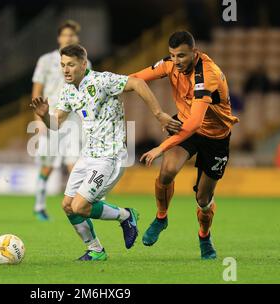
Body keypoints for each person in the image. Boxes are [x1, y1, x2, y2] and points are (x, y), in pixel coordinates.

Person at [30, 44, 181, 261]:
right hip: (88, 155)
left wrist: (159, 114)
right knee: (67, 206)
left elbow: (137, 82)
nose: (65, 70)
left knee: (80, 206)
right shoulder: (68, 90)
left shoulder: (103, 80)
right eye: (63, 65)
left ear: (83, 64)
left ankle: (126, 216)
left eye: (71, 65)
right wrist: (44, 116)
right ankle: (96, 250)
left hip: (110, 157)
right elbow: (56, 125)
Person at [130, 31, 239, 259]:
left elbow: (194, 124)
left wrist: (160, 148)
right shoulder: (169, 65)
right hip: (186, 122)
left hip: (215, 136)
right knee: (167, 171)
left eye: (181, 56)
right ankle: (161, 218)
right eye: (172, 55)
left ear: (194, 52)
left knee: (203, 199)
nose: (176, 61)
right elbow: (134, 78)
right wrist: (103, 85)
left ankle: (204, 236)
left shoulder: (207, 74)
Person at [31, 20, 91, 221]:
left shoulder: (86, 63)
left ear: (77, 39)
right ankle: (39, 205)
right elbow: (37, 92)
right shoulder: (46, 60)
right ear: (59, 38)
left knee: (74, 164)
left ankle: (76, 205)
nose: (68, 38)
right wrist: (39, 121)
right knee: (47, 166)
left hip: (73, 121)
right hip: (51, 117)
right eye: (65, 35)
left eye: (72, 36)